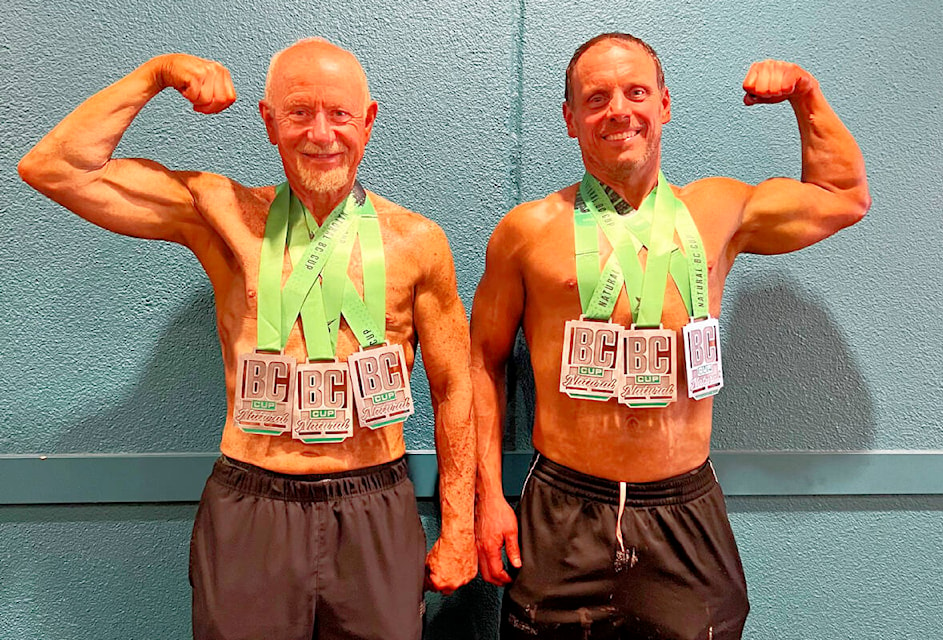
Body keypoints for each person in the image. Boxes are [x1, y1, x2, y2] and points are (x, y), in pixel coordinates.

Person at [19, 39, 476, 640]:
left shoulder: (419, 241)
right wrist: (156, 73)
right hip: (253, 500)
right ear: (268, 123)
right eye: (299, 113)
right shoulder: (224, 214)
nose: (321, 133)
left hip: (376, 501)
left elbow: (454, 388)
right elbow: (53, 167)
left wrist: (460, 527)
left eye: (339, 114)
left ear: (367, 120)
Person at [472, 33, 869, 639]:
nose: (619, 110)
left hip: (684, 507)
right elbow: (482, 360)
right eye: (597, 98)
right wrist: (487, 499)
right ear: (571, 119)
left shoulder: (719, 210)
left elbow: (843, 197)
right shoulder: (526, 231)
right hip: (562, 509)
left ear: (664, 103)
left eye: (635, 92)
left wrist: (806, 98)